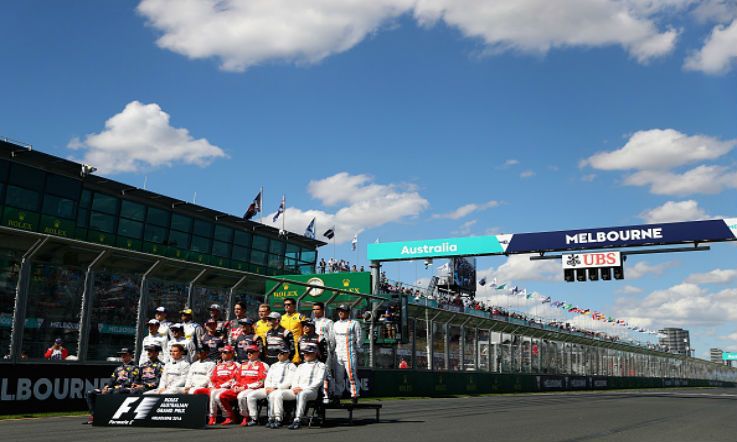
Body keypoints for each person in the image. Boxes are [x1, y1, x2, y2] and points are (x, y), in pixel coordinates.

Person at [272, 343, 326, 430]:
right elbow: (295, 379)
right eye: (304, 353)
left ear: (315, 353)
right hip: (297, 390)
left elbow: (319, 381)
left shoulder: (321, 365)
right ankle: (278, 419)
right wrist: (295, 387)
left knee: (302, 394)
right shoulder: (301, 366)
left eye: (308, 353)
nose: (305, 355)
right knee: (278, 393)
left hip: (312, 391)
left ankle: (298, 419)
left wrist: (303, 389)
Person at [243, 346, 295, 427]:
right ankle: (254, 418)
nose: (279, 355)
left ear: (287, 354)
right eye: (278, 353)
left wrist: (276, 388)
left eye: (281, 353)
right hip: (270, 388)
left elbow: (290, 381)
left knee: (275, 395)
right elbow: (268, 378)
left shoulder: (291, 366)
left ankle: (277, 418)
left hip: (282, 389)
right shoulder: (273, 365)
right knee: (251, 395)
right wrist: (267, 387)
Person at [217, 344, 268, 426]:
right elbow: (235, 378)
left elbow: (261, 382)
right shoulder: (243, 365)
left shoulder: (263, 365)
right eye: (247, 352)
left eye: (251, 352)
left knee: (241, 396)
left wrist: (245, 387)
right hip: (240, 388)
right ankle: (230, 416)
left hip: (252, 389)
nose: (249, 354)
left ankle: (245, 417)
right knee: (222, 396)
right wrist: (235, 386)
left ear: (258, 353)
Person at [85, 348, 139, 423]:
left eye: (125, 355)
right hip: (114, 389)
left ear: (131, 356)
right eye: (121, 355)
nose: (122, 356)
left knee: (116, 391)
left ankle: (111, 416)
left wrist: (118, 387)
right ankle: (94, 416)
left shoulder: (135, 368)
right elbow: (112, 380)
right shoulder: (118, 369)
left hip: (127, 389)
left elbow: (132, 381)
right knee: (90, 393)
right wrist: (106, 387)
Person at [333, 304, 362, 403]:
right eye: (339, 310)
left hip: (349, 352)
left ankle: (354, 395)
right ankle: (337, 394)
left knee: (351, 374)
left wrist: (358, 350)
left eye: (343, 310)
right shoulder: (335, 324)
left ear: (348, 312)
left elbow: (359, 339)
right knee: (338, 375)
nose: (340, 312)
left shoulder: (354, 323)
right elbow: (333, 340)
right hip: (338, 353)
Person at [205, 345, 240, 425]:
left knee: (216, 395)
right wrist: (211, 386)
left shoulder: (236, 365)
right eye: (222, 352)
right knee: (211, 392)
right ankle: (212, 416)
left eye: (225, 352)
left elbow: (234, 380)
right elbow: (212, 378)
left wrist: (221, 386)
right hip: (217, 388)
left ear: (232, 353)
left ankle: (228, 416)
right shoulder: (218, 365)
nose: (222, 354)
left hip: (228, 388)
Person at [312, 301, 336, 402]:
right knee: (315, 372)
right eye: (314, 309)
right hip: (313, 350)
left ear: (322, 310)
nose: (315, 311)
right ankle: (317, 394)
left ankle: (330, 393)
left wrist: (331, 350)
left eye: (317, 309)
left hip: (325, 350)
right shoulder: (311, 321)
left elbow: (332, 338)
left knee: (327, 372)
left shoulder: (328, 322)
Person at [280, 298, 306, 364]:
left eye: (288, 304)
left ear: (294, 306)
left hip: (297, 347)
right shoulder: (281, 318)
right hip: (284, 347)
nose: (286, 306)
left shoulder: (300, 316)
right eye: (285, 305)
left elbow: (306, 331)